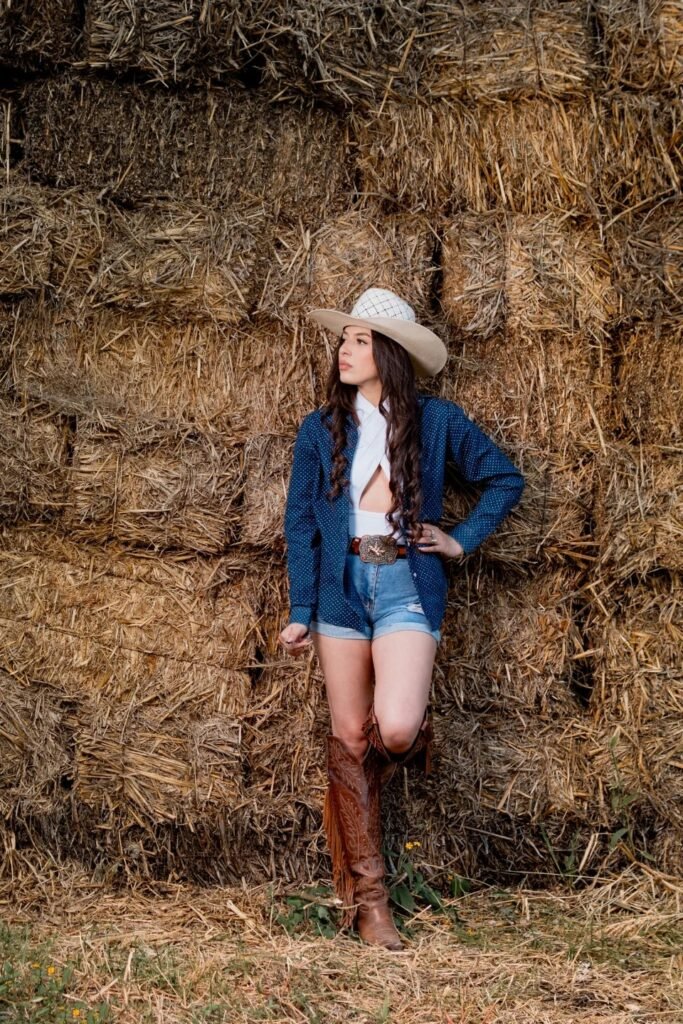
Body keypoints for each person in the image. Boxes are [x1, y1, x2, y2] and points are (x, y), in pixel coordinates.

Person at [278, 287, 525, 950]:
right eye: (342, 340)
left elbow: (504, 479)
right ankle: (371, 903)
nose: (344, 351)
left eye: (358, 341)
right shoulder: (318, 430)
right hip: (338, 591)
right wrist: (301, 610)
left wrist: (459, 539)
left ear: (388, 352)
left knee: (392, 727)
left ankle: (411, 736)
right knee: (348, 736)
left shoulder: (438, 421)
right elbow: (300, 525)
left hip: (405, 584)